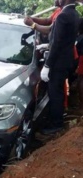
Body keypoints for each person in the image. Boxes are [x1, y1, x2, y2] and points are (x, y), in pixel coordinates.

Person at [40, 0, 79, 134]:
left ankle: (56, 124)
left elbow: (57, 42)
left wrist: (47, 64)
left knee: (55, 93)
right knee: (58, 92)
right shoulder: (74, 13)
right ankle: (55, 120)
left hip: (58, 62)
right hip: (66, 60)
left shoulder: (63, 15)